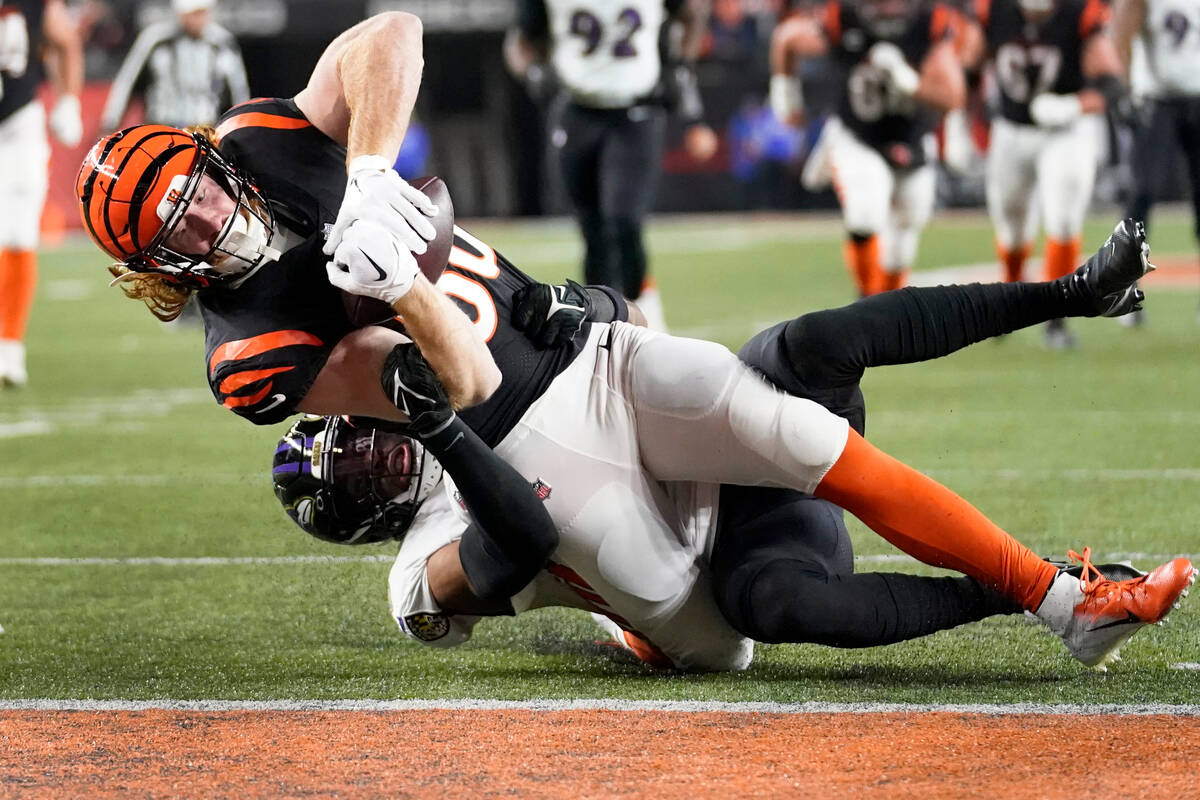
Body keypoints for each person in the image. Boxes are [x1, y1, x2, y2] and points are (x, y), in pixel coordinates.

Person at [273, 218, 1195, 673]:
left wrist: (576, 304)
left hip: (683, 438)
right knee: (777, 602)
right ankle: (1026, 591)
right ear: (363, 525)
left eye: (350, 439)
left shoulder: (449, 394)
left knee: (804, 347)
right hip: (719, 562)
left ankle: (1066, 293)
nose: (371, 454)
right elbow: (518, 535)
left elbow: (615, 328)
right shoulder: (414, 581)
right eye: (352, 479)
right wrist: (444, 426)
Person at [75, 12, 500, 428]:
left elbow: (397, 29)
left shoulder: (255, 135)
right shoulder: (248, 354)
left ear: (215, 162)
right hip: (501, 428)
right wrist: (401, 285)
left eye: (202, 193)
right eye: (180, 230)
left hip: (541, 323)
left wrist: (369, 170)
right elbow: (465, 387)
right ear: (160, 268)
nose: (212, 221)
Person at [503, 0, 718, 331]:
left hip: (636, 109)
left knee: (624, 219)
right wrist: (533, 71)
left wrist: (680, 65)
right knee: (592, 228)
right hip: (577, 108)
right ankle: (600, 320)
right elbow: (520, 41)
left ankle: (642, 311)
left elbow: (691, 15)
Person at [768, 0, 967, 297]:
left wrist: (910, 81)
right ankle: (866, 300)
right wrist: (785, 96)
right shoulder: (841, 18)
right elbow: (787, 39)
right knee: (864, 214)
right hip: (858, 135)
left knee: (906, 231)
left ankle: (887, 309)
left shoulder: (931, 23)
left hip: (912, 138)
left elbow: (952, 97)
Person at [962, 0, 1126, 348]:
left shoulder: (1080, 13)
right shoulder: (994, 10)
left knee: (1063, 219)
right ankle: (1008, 300)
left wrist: (1074, 105)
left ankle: (1055, 316)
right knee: (1010, 223)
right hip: (1011, 128)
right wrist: (960, 124)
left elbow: (1112, 84)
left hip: (1067, 130)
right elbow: (968, 70)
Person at [0, 0, 83, 387]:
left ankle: (10, 347)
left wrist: (69, 99)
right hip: (18, 117)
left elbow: (63, 40)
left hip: (18, 120)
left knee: (18, 235)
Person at [1112, 0, 1200, 326]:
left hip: (1197, 97)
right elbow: (1121, 33)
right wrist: (1125, 89)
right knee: (1143, 191)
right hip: (1157, 97)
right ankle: (1125, 287)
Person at [99, 0, 249, 132]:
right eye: (193, 14)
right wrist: (111, 123)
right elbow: (128, 81)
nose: (199, 19)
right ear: (180, 14)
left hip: (205, 128)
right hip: (163, 127)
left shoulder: (221, 43)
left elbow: (237, 90)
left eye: (202, 13)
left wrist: (241, 127)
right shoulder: (156, 40)